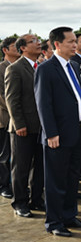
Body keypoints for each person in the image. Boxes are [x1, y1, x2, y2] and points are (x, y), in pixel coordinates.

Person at [34, 26, 81, 237]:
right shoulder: (46, 69)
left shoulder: (74, 66)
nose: (75, 44)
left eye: (75, 41)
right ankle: (54, 222)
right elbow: (44, 104)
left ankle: (69, 216)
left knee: (71, 178)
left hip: (77, 132)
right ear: (57, 44)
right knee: (56, 181)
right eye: (70, 41)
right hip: (57, 135)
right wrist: (51, 133)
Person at [5, 35, 44, 218]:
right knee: (21, 167)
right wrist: (19, 124)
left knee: (39, 167)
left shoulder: (42, 67)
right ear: (23, 48)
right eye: (32, 41)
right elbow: (12, 100)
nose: (38, 43)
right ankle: (20, 202)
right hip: (23, 128)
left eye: (38, 40)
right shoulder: (15, 69)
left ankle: (37, 199)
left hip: (42, 127)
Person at [1, 37, 21, 200]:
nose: (17, 49)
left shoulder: (21, 66)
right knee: (4, 155)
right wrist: (14, 112)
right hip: (5, 117)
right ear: (5, 50)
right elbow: (3, 96)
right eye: (14, 46)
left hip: (17, 118)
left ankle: (15, 185)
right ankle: (4, 185)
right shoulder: (2, 68)